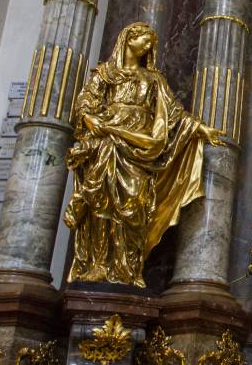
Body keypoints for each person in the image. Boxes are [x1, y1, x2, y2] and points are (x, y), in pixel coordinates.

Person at [64, 22, 223, 287]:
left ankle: (125, 269)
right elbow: (84, 104)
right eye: (144, 40)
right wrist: (90, 118)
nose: (148, 46)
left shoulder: (153, 80)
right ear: (129, 39)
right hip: (106, 145)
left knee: (134, 205)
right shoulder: (104, 75)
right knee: (100, 205)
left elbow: (172, 114)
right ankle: (97, 265)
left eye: (151, 42)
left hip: (139, 150)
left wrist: (198, 127)